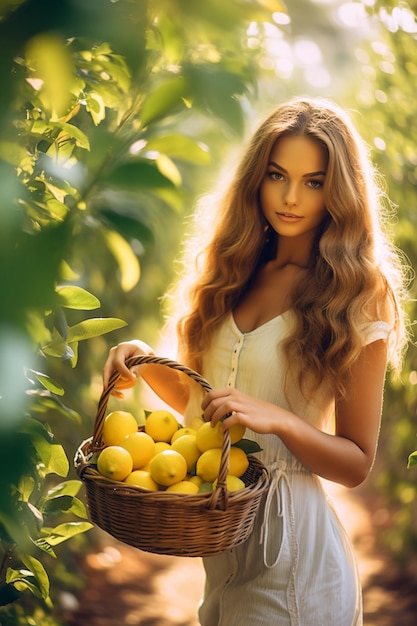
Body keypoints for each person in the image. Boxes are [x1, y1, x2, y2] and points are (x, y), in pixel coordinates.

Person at [103, 97, 409, 626]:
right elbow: (207, 407)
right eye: (277, 175)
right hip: (222, 547)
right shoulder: (236, 270)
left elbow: (357, 462)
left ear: (338, 191)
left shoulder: (357, 293)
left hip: (292, 556)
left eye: (314, 182)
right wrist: (145, 361)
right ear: (256, 178)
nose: (291, 198)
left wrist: (282, 421)